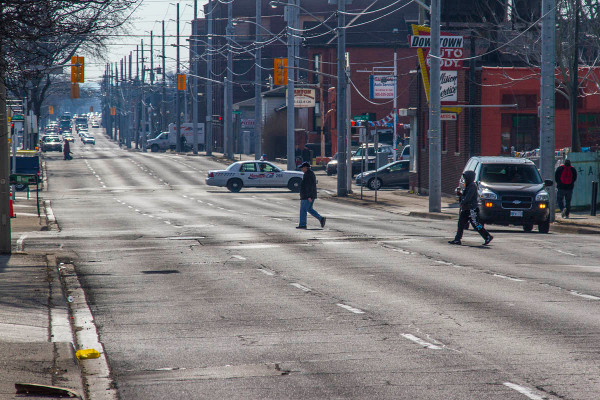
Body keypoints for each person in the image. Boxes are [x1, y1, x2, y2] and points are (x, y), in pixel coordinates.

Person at [449, 170, 493, 246]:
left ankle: (487, 236)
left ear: (470, 177)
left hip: (471, 209)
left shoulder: (472, 186)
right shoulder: (466, 185)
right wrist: (459, 193)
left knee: (476, 225)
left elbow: (468, 198)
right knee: (461, 224)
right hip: (465, 209)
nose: (465, 179)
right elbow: (462, 195)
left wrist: (462, 200)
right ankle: (457, 239)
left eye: (466, 177)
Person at [297, 161, 326, 229]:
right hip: (310, 195)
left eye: (302, 168)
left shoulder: (308, 175)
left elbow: (309, 186)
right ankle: (321, 218)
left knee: (303, 210)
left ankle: (302, 224)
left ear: (306, 168)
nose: (302, 169)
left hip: (307, 196)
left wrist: (308, 196)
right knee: (309, 209)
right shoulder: (309, 174)